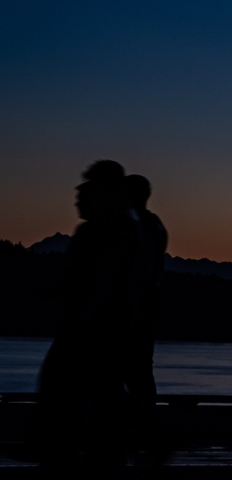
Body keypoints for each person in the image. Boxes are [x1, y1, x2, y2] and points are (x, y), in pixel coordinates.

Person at [32, 160, 138, 475]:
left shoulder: (108, 228)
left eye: (87, 187)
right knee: (97, 391)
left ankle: (69, 456)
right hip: (103, 323)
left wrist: (84, 315)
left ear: (105, 190)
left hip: (94, 324)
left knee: (69, 387)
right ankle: (89, 454)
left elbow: (103, 279)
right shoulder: (117, 226)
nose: (78, 194)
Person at [123, 173, 169, 458]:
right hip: (144, 307)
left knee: (133, 370)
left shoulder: (139, 227)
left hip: (134, 308)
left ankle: (148, 433)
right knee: (138, 370)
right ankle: (145, 430)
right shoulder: (152, 225)